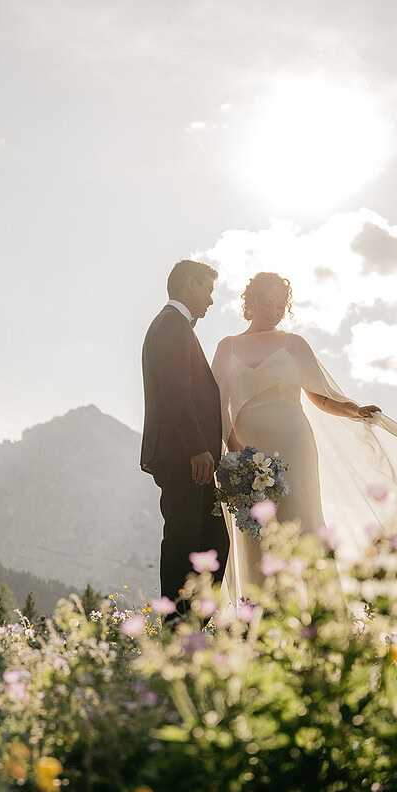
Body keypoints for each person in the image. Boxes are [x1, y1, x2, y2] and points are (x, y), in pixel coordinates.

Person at [212, 271, 397, 598]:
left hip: (294, 446)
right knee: (255, 532)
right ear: (249, 303)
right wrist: (236, 452)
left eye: (280, 305)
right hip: (245, 451)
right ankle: (256, 620)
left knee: (299, 524)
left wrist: (354, 410)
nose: (274, 311)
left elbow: (320, 396)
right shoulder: (226, 347)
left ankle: (314, 615)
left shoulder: (294, 344)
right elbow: (217, 405)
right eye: (267, 304)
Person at [141, 260, 229, 617]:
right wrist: (197, 448)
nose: (210, 300)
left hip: (191, 458)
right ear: (190, 284)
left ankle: (189, 626)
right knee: (184, 544)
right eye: (208, 290)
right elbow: (176, 391)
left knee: (210, 544)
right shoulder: (172, 325)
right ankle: (178, 629)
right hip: (186, 458)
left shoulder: (173, 326)